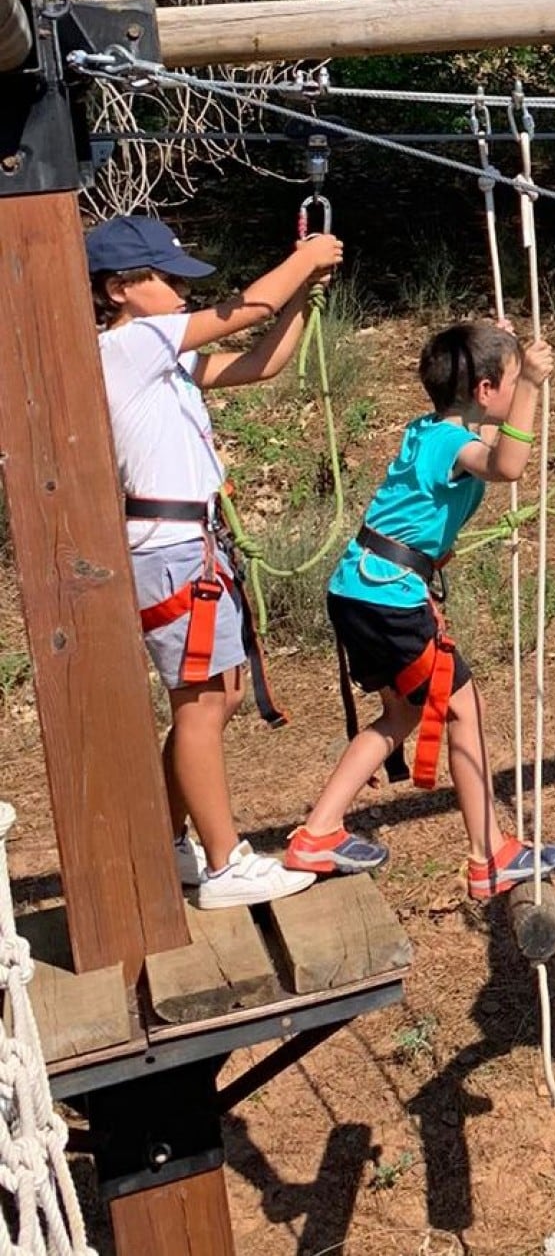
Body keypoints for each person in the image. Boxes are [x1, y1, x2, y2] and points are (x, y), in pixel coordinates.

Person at [92, 214, 343, 909]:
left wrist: (304, 294)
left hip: (190, 544)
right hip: (171, 550)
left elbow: (262, 361)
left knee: (219, 696)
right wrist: (306, 258)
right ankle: (226, 862)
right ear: (118, 289)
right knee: (201, 704)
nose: (178, 291)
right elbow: (248, 308)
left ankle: (172, 841)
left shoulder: (158, 355)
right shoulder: (131, 345)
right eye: (165, 279)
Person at [286, 320, 555, 898]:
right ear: (488, 392)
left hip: (363, 588)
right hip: (387, 596)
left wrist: (502, 350)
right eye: (509, 383)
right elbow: (508, 466)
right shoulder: (451, 443)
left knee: (403, 716)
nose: (518, 390)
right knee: (464, 708)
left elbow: (484, 429)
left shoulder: (432, 428)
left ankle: (318, 831)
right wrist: (533, 387)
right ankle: (489, 855)